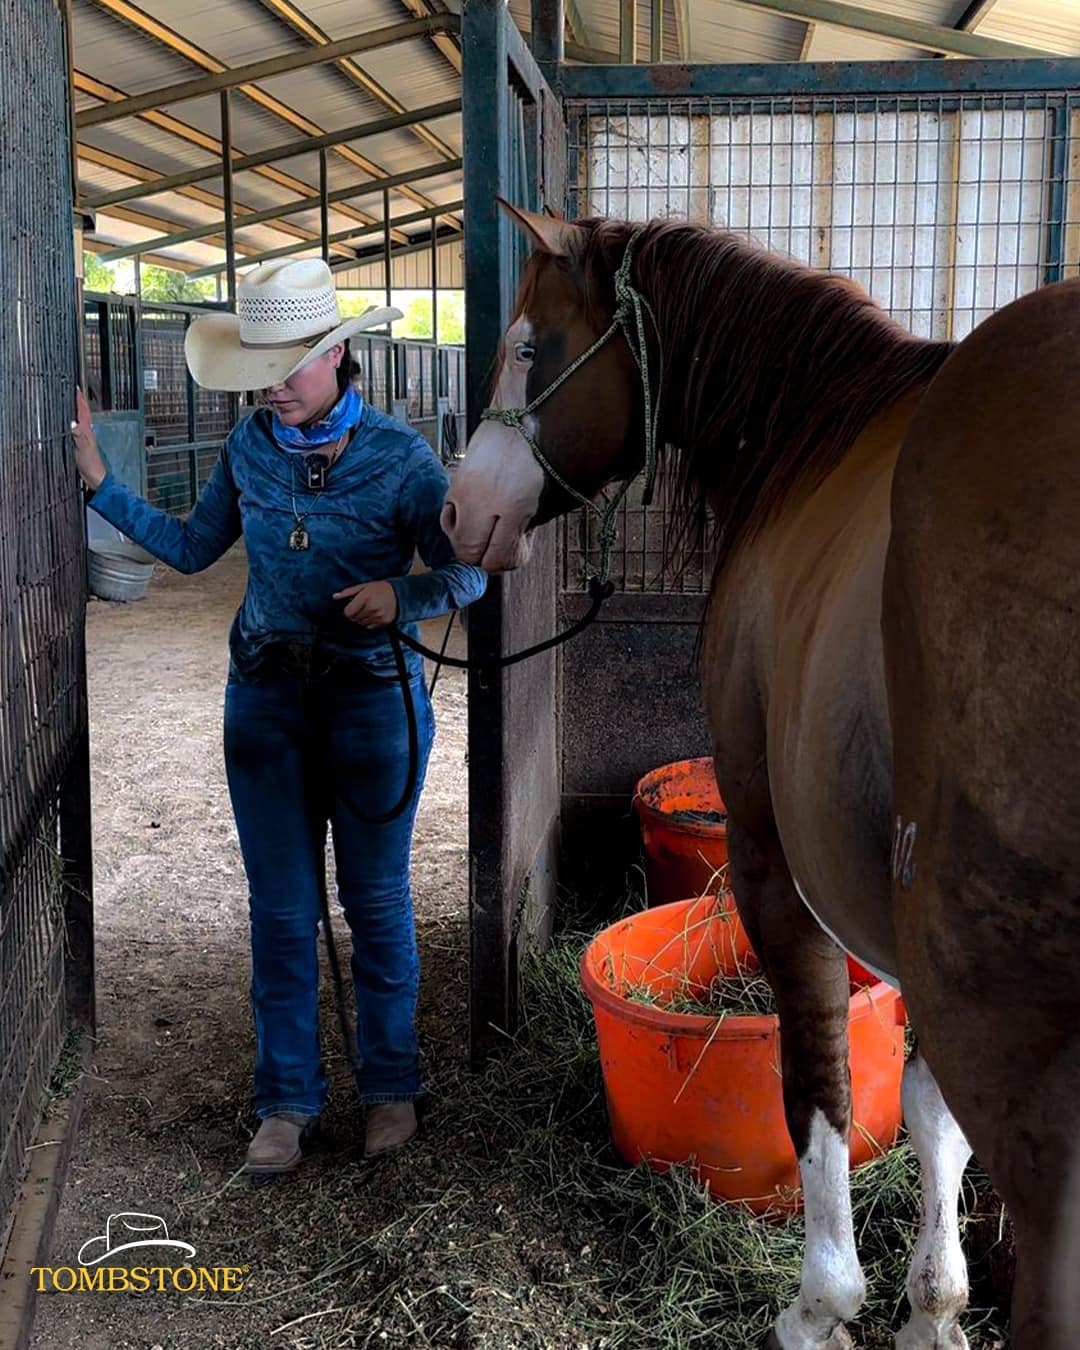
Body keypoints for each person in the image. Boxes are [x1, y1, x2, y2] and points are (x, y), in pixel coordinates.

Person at [71, 258, 487, 1178]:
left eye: (288, 364)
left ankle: (388, 1089)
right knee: (281, 909)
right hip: (263, 700)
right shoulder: (251, 448)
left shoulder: (402, 460)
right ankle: (286, 1103)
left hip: (372, 701)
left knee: (375, 903)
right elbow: (190, 548)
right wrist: (102, 485)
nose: (269, 384)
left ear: (337, 355)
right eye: (260, 364)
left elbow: (468, 573)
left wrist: (399, 590)